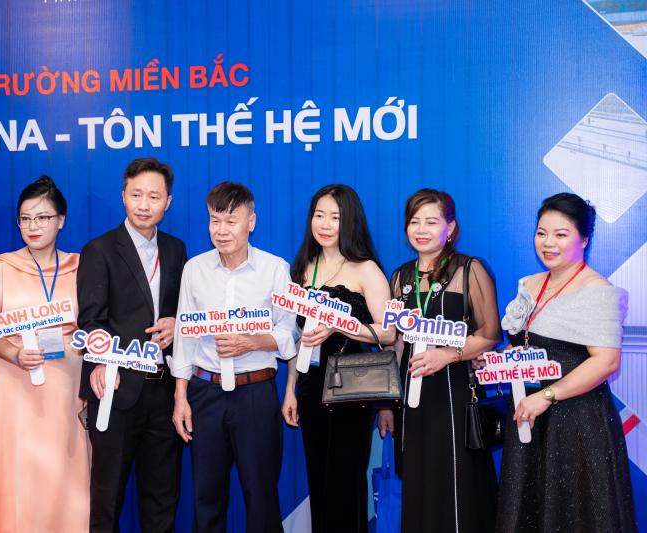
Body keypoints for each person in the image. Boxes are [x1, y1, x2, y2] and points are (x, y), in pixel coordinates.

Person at [496, 193, 636, 533]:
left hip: (577, 422)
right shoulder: (530, 283)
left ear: (583, 239)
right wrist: (500, 361)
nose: (548, 243)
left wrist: (547, 396)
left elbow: (606, 362)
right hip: (528, 415)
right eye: (541, 233)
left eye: (561, 234)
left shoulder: (597, 290)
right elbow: (526, 346)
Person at [171, 182, 299, 533]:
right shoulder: (194, 269)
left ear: (251, 222)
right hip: (205, 394)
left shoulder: (274, 269)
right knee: (206, 497)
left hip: (255, 395)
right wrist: (181, 396)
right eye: (215, 221)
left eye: (231, 221)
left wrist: (253, 342)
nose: (221, 230)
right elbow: (184, 336)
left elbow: (289, 333)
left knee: (261, 495)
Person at [0, 176, 90, 532]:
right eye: (25, 219)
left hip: (68, 383)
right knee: (18, 470)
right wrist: (13, 353)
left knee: (66, 472)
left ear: (61, 220)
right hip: (16, 381)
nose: (33, 226)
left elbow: (97, 322)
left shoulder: (82, 265)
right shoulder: (1, 267)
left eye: (43, 217)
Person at [380, 188, 500, 533]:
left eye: (431, 222)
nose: (421, 230)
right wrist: (386, 402)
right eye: (414, 221)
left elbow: (490, 334)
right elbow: (395, 344)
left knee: (458, 480)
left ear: (451, 227)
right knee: (417, 481)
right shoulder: (400, 277)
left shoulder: (468, 270)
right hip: (411, 398)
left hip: (455, 392)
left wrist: (448, 355)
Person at [77, 158, 187, 533]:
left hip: (163, 390)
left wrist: (177, 323)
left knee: (162, 499)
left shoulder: (176, 249)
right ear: (123, 196)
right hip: (116, 388)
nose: (144, 204)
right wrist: (101, 363)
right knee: (107, 499)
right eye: (136, 195)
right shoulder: (99, 249)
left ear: (168, 202)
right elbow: (91, 320)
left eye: (154, 197)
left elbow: (185, 309)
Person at [280, 184, 395, 533]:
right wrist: (290, 389)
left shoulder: (366, 269)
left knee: (344, 483)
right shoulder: (303, 268)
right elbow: (299, 336)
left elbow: (389, 334)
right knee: (319, 479)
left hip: (352, 387)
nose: (326, 224)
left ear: (351, 221)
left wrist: (342, 325)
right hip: (310, 385)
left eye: (335, 217)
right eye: (319, 215)